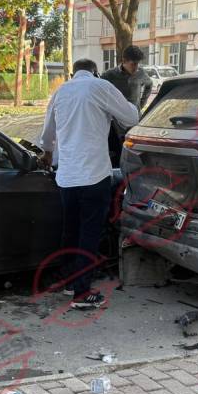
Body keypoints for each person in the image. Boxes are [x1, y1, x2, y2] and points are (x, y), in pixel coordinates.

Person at [39, 58, 139, 310]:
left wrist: (48, 155)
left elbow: (47, 136)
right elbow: (131, 117)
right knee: (90, 233)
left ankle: (71, 282)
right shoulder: (100, 86)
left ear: (73, 73)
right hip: (94, 175)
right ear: (95, 72)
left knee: (70, 230)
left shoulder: (60, 92)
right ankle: (82, 294)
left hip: (67, 176)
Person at [100, 45, 152, 164]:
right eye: (133, 64)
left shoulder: (141, 73)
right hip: (115, 122)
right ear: (124, 61)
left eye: (138, 64)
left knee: (134, 152)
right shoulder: (109, 75)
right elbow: (100, 91)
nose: (136, 67)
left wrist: (141, 103)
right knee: (118, 152)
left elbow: (149, 85)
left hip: (134, 119)